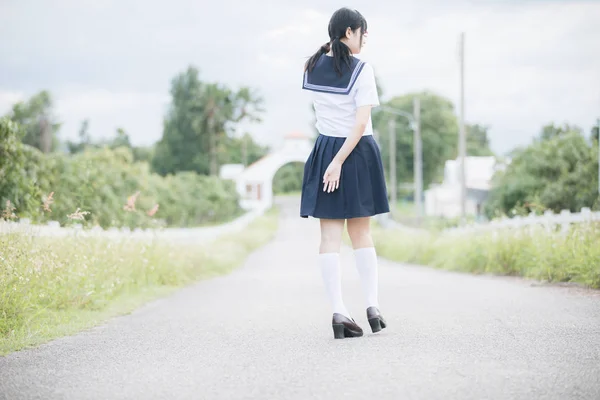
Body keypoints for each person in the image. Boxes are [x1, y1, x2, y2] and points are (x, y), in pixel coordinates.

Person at [300, 7, 389, 339]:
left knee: (329, 239)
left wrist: (332, 160)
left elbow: (327, 57)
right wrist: (340, 161)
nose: (365, 39)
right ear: (349, 32)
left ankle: (339, 311)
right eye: (362, 32)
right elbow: (361, 122)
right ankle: (372, 306)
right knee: (361, 234)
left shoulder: (312, 67)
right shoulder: (362, 69)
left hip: (325, 151)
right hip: (357, 152)